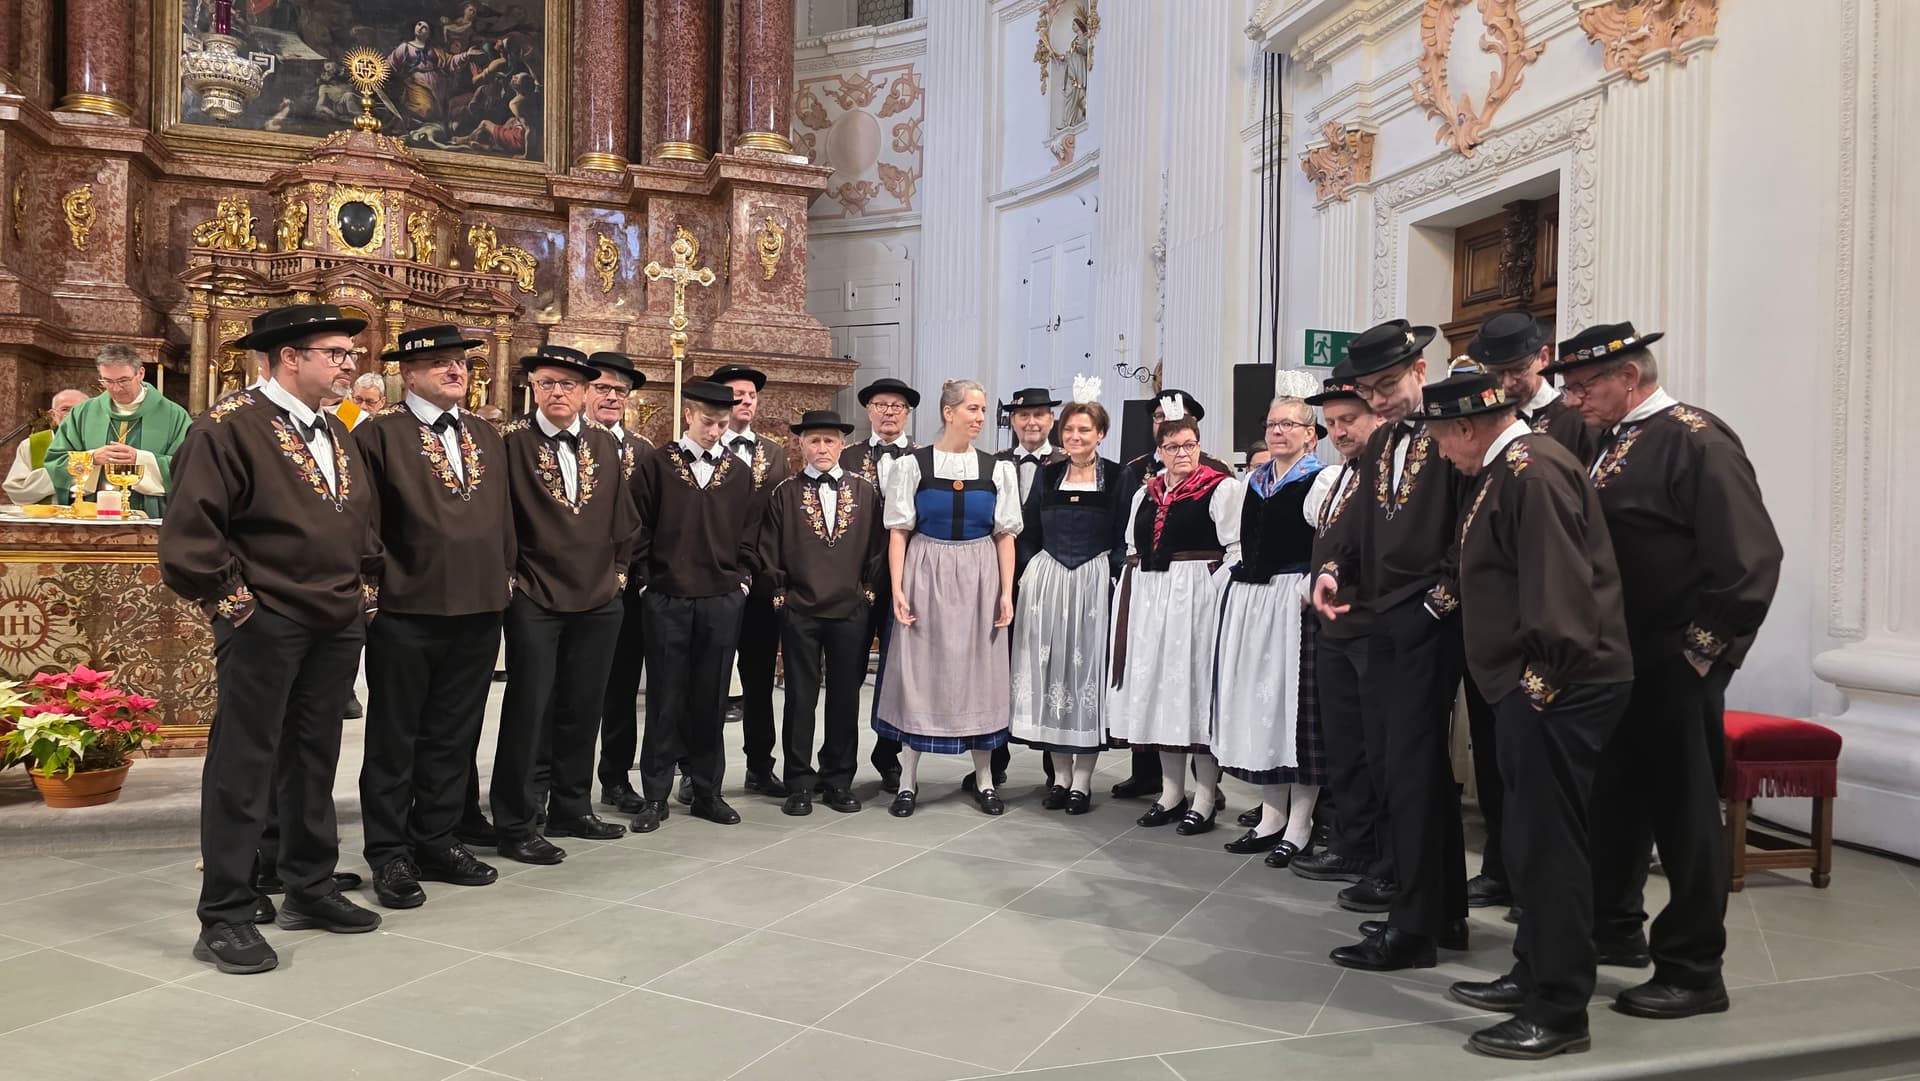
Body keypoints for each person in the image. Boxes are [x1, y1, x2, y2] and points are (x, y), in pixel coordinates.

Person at [1546, 322, 1781, 1020]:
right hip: (1619, 657)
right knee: (1614, 799)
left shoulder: (1695, 437)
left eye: (1587, 386)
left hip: (1675, 657)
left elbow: (1750, 557)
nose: (1576, 399)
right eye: (1570, 387)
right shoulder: (1606, 439)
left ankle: (1693, 964)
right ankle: (1614, 925)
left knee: (1683, 812)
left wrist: (1701, 648)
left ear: (1632, 376)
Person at [1411, 369, 1634, 1059]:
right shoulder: (1509, 464)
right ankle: (1534, 967)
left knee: (1550, 845)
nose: (1442, 455)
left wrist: (1535, 684)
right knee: (1531, 841)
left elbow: (1558, 588)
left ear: (1468, 427)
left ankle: (1559, 1007)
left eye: (1444, 442)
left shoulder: (1531, 470)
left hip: (1556, 686)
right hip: (1530, 684)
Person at [160, 303, 383, 974]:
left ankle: (309, 885)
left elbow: (359, 518)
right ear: (290, 356)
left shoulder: (338, 432)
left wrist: (365, 587)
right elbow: (193, 531)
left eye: (349, 354)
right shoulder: (226, 428)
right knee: (243, 763)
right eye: (337, 353)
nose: (351, 364)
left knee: (314, 755)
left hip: (335, 617)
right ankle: (226, 911)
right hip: (266, 618)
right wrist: (236, 601)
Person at [1315, 318, 1473, 973]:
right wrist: (1332, 570)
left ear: (1420, 371)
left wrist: (1439, 600)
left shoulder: (1453, 433)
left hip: (1430, 620)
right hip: (1383, 617)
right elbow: (1355, 526)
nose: (1379, 401)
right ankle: (1442, 912)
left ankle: (1413, 927)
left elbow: (1476, 525)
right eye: (1370, 390)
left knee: (1410, 772)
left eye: (1389, 385)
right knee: (1408, 770)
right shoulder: (1384, 445)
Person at [352, 325, 511, 908]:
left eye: (461, 363)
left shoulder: (485, 436)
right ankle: (389, 852)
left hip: (478, 605)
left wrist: (504, 576)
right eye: (440, 363)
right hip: (407, 607)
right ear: (408, 373)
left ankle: (437, 839)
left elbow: (503, 519)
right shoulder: (378, 434)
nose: (455, 371)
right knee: (396, 736)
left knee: (454, 734)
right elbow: (364, 521)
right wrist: (375, 589)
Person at [1455, 311, 1595, 911]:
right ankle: (1501, 863)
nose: (1506, 381)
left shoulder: (1572, 422)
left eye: (1515, 369)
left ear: (1544, 357)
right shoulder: (1481, 424)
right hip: (1490, 618)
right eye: (1496, 371)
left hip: (1544, 620)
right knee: (1493, 752)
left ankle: (1545, 888)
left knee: (1541, 771)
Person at [491, 345, 637, 865]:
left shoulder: (604, 443)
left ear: (585, 392)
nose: (559, 393)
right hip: (535, 594)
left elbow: (624, 516)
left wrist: (618, 574)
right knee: (530, 708)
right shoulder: (508, 443)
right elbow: (499, 519)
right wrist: (512, 581)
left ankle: (572, 807)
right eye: (549, 383)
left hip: (599, 596)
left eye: (570, 385)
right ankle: (516, 819)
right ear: (532, 386)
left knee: (583, 707)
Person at [875, 379, 1023, 817]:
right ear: (948, 412)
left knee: (981, 672)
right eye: (972, 409)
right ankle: (907, 781)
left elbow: (1005, 536)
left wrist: (1005, 591)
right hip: (926, 572)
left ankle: (984, 780)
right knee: (919, 672)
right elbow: (899, 532)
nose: (979, 417)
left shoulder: (997, 469)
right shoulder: (912, 465)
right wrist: (899, 588)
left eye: (981, 410)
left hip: (979, 574)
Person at [629, 381, 764, 832]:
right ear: (689, 415)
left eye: (723, 425)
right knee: (665, 698)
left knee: (712, 696)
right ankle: (654, 795)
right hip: (667, 597)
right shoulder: (656, 464)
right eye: (708, 422)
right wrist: (648, 584)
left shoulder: (739, 472)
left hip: (721, 599)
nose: (715, 431)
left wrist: (741, 583)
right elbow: (638, 526)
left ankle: (707, 790)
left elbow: (750, 534)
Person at [1108, 411, 1243, 833]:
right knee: (1161, 696)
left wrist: (1209, 587)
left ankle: (1204, 798)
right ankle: (1170, 792)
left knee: (1195, 694)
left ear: (1199, 446)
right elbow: (1133, 545)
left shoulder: (1222, 489)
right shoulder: (1144, 494)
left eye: (1189, 445)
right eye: (1172, 447)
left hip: (1196, 601)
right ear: (1160, 452)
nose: (1181, 453)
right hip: (1152, 600)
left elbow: (1237, 549)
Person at [1214, 377, 1328, 865]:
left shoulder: (1320, 479)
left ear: (1310, 433)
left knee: (1294, 713)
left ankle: (1300, 824)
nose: (1278, 431)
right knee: (1263, 711)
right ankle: (1270, 816)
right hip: (1256, 600)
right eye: (1272, 424)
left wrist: (1310, 583)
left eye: (1289, 424)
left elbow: (1329, 543)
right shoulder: (1253, 481)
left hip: (1293, 600)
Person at [758, 411, 886, 816]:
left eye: (829, 440)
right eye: (813, 441)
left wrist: (867, 591)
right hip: (801, 610)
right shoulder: (784, 492)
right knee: (800, 697)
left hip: (850, 609)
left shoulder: (865, 492)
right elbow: (769, 547)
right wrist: (782, 593)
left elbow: (878, 546)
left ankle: (838, 779)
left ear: (842, 445)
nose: (822, 448)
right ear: (800, 445)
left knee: (846, 698)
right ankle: (799, 780)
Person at [1292, 372, 1389, 884]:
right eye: (1330, 423)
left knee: (1375, 746)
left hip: (1370, 623)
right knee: (1344, 742)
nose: (1339, 431)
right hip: (1334, 625)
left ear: (1376, 413)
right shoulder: (1344, 473)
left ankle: (1377, 850)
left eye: (1348, 420)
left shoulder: (1389, 470)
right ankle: (1352, 841)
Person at [1009, 389, 1126, 814]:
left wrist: (1108, 572)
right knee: (1050, 671)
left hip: (1093, 583)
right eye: (1070, 429)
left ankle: (1083, 781)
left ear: (1100, 434)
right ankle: (1059, 778)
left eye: (1084, 429)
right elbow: (1028, 529)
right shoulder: (1048, 474)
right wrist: (1031, 571)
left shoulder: (1116, 477)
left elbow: (1122, 535)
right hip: (1047, 585)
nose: (1075, 436)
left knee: (1085, 675)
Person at [709, 364, 791, 800]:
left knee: (759, 682)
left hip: (758, 583)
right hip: (712, 579)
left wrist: (773, 575)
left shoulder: (773, 453)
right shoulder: (700, 448)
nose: (744, 401)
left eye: (750, 395)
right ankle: (697, 770)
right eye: (735, 394)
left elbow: (777, 520)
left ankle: (761, 766)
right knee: (708, 681)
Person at [841, 377, 920, 793]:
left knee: (897, 669)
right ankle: (839, 761)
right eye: (880, 405)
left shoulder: (926, 459)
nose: (889, 412)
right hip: (854, 578)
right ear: (868, 411)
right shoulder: (848, 455)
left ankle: (888, 756)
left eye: (897, 406)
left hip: (906, 580)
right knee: (847, 670)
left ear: (907, 413)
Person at [585, 352, 654, 816]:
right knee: (565, 689)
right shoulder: (570, 442)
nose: (612, 398)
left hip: (628, 591)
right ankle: (549, 782)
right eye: (604, 389)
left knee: (622, 688)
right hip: (574, 584)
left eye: (620, 392)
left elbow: (653, 521)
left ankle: (615, 777)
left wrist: (638, 575)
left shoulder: (644, 450)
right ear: (585, 392)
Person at [46, 345, 193, 518]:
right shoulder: (83, 413)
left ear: (140, 373)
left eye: (123, 380)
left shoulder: (174, 415)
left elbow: (190, 465)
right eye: (107, 381)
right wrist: (91, 459)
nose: (115, 388)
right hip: (93, 514)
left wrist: (142, 460)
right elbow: (56, 460)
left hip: (151, 514)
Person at [4, 388, 87, 505]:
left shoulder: (103, 443)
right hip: (45, 521)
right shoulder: (31, 445)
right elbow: (17, 492)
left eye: (80, 409)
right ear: (53, 415)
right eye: (65, 409)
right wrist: (67, 471)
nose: (73, 415)